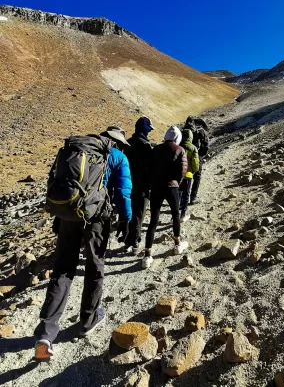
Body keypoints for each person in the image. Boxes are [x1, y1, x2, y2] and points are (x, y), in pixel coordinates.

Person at [34, 129, 132, 361]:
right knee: (95, 267)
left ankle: (46, 335)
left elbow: (61, 181)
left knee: (62, 270)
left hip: (69, 215)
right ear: (118, 141)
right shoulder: (116, 156)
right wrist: (126, 219)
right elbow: (124, 191)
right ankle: (88, 320)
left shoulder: (76, 150)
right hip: (96, 218)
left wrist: (60, 217)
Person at [142, 126, 188, 269]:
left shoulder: (156, 149)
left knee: (153, 221)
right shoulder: (180, 150)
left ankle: (147, 255)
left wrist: (153, 181)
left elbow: (148, 168)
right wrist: (177, 183)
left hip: (156, 187)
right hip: (171, 186)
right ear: (177, 138)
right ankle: (177, 244)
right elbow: (182, 170)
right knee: (175, 215)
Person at [124, 116, 154, 254]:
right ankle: (133, 242)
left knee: (128, 211)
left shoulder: (127, 143)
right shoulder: (146, 146)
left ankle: (128, 236)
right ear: (145, 129)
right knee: (138, 213)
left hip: (126, 183)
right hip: (142, 185)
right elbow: (150, 168)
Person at [183, 116, 209, 204]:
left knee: (183, 175)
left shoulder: (183, 130)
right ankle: (193, 197)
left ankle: (181, 198)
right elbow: (206, 146)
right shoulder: (201, 131)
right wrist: (200, 156)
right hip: (197, 155)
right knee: (197, 177)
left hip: (183, 155)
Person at [179, 129, 200, 222]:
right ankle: (183, 212)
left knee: (178, 193)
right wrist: (194, 171)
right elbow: (195, 163)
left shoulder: (179, 146)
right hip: (188, 175)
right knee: (187, 194)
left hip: (178, 175)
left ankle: (174, 214)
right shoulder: (193, 148)